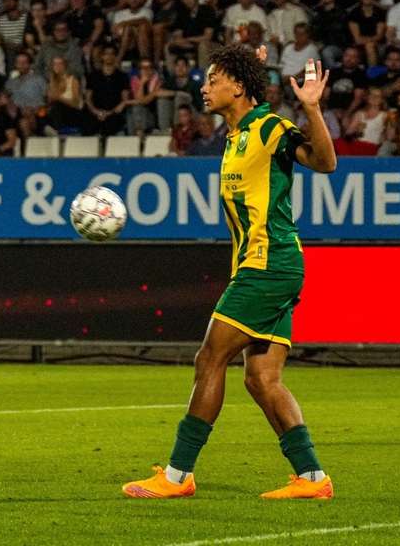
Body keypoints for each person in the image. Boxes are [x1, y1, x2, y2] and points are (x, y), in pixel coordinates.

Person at [122, 44, 336, 500]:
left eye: (214, 79)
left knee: (209, 357)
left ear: (236, 87)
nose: (204, 86)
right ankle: (313, 478)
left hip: (269, 265)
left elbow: (324, 162)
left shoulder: (270, 128)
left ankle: (178, 475)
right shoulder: (236, 134)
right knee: (262, 378)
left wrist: (312, 110)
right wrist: (250, 64)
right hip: (261, 265)